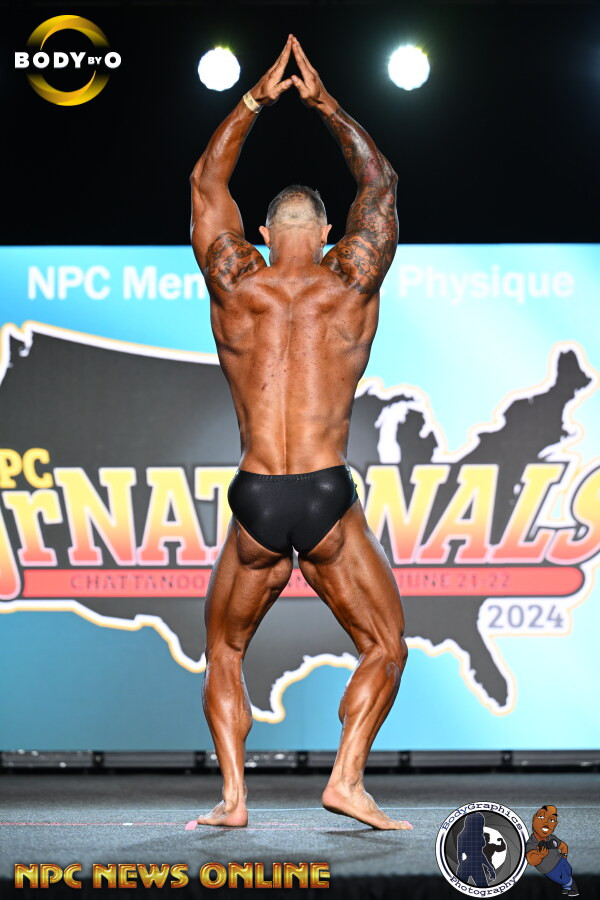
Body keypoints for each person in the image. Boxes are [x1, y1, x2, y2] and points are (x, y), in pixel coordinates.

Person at [190, 34, 410, 831]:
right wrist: (325, 105)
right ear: (323, 232)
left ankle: (233, 799)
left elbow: (207, 180)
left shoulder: (234, 280)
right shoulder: (349, 279)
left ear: (260, 231)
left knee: (225, 650)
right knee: (385, 645)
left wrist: (254, 100)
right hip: (322, 491)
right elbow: (379, 182)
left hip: (256, 493)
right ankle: (345, 780)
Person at [526, 805, 578, 896]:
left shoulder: (551, 838)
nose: (546, 822)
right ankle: (571, 884)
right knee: (563, 879)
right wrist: (540, 855)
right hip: (549, 869)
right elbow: (531, 860)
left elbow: (563, 845)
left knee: (568, 871)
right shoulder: (531, 843)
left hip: (560, 860)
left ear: (555, 824)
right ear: (534, 818)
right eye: (541, 817)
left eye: (552, 820)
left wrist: (564, 856)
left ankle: (566, 887)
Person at [456, 812, 496, 887]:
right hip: (472, 866)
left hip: (473, 865)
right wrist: (490, 868)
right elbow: (460, 854)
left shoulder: (476, 835)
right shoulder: (465, 836)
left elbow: (479, 854)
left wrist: (490, 867)